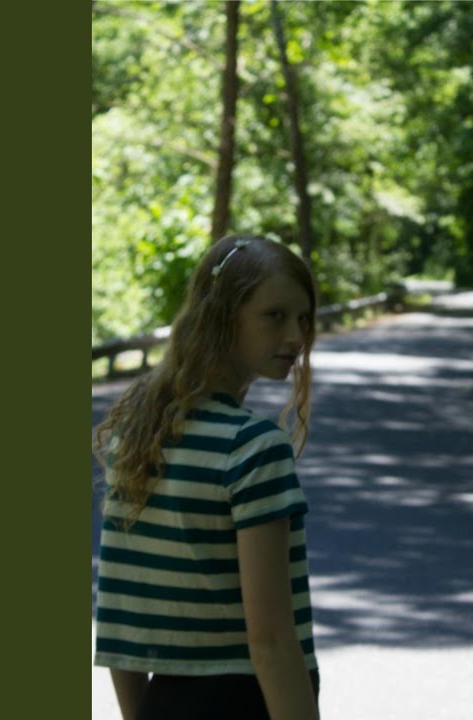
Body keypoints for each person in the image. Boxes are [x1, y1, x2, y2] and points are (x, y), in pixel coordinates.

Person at [93, 235, 321, 720]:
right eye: (275, 316)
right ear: (222, 316)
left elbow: (120, 618)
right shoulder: (253, 446)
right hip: (246, 704)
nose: (296, 336)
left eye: (303, 318)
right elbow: (271, 640)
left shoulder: (136, 435)